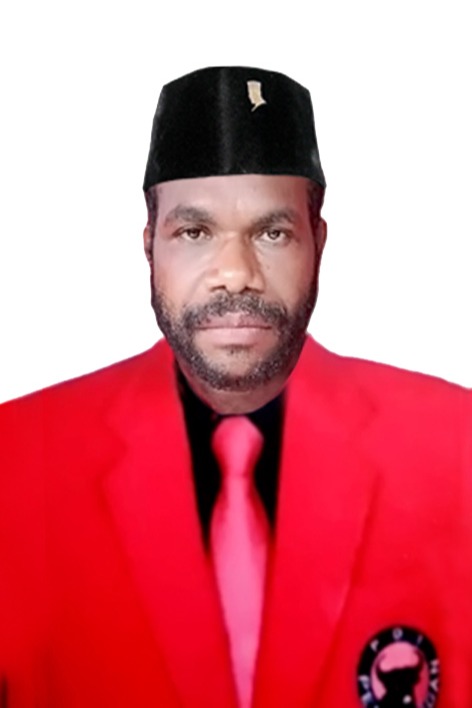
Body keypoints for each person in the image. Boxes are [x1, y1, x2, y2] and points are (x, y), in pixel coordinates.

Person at [0, 66, 471, 708]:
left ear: (318, 243)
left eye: (272, 233)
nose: (235, 273)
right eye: (194, 232)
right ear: (149, 247)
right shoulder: (16, 457)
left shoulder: (456, 446)